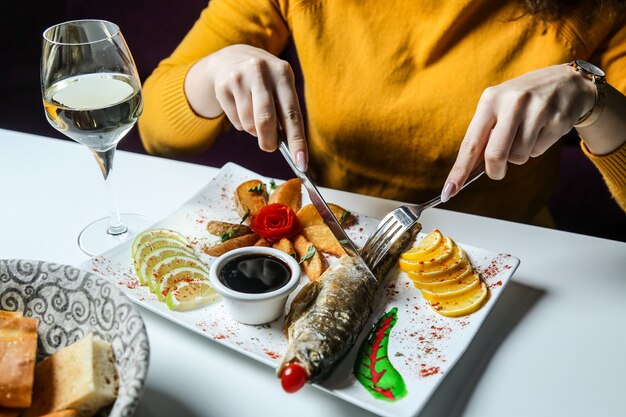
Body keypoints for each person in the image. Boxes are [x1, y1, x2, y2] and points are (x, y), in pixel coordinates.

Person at [138, 0, 626, 226]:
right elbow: (155, 130)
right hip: (338, 230)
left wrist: (594, 100)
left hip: (513, 253)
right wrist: (210, 73)